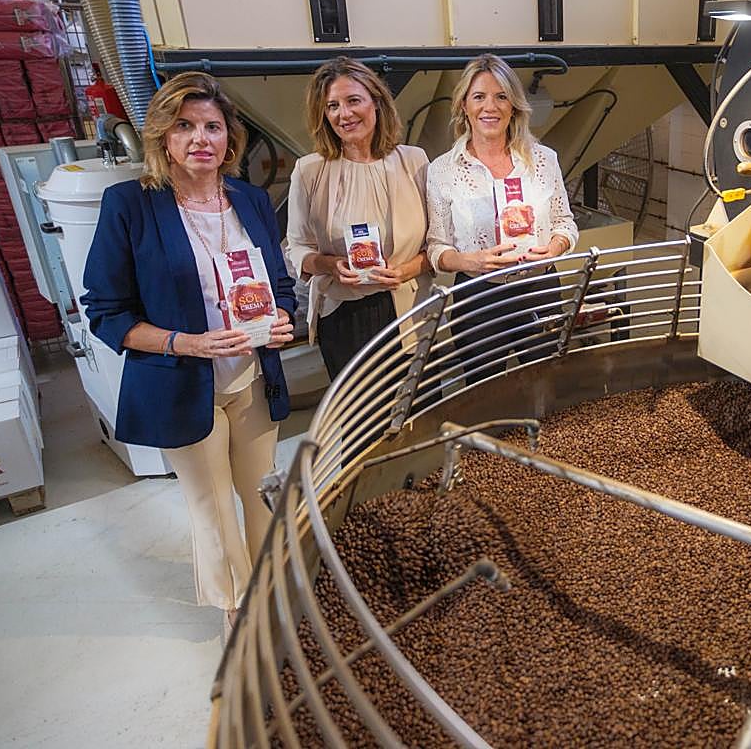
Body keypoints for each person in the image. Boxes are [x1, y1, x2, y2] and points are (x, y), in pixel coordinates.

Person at [82, 72, 295, 637]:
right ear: (162, 137)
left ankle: (270, 587)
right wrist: (188, 343)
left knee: (260, 495)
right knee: (213, 507)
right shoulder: (130, 204)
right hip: (182, 381)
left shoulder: (249, 199)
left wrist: (281, 317)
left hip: (253, 375)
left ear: (230, 140)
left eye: (212, 127)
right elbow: (105, 310)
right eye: (185, 126)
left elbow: (280, 280)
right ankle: (237, 609)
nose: (201, 138)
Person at [426, 53, 579, 385]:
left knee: (545, 383)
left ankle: (542, 437)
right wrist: (472, 260)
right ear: (464, 105)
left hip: (538, 289)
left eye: (501, 96)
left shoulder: (543, 160)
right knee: (483, 390)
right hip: (478, 295)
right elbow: (437, 248)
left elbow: (565, 222)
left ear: (514, 105)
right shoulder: (442, 171)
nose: (489, 107)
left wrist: (555, 248)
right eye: (479, 97)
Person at [286, 57, 434, 384]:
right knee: (362, 425)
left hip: (411, 309)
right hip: (344, 315)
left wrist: (405, 270)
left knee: (419, 414)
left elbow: (437, 244)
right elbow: (296, 248)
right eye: (332, 106)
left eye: (354, 101)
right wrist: (329, 265)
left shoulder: (414, 161)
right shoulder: (309, 170)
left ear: (376, 103)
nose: (345, 114)